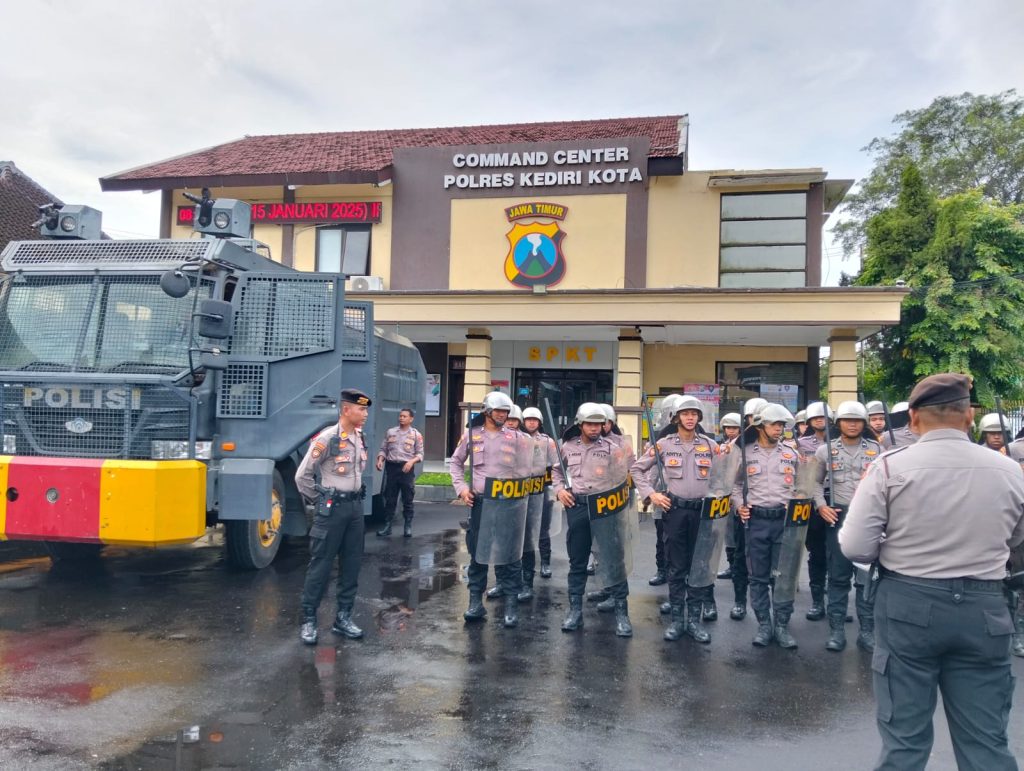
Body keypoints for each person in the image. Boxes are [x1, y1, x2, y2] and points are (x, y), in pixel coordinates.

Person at [841, 373, 1024, 771]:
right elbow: (1019, 544)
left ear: (913, 418)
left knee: (905, 742)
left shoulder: (890, 468)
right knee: (986, 743)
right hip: (985, 609)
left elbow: (855, 546)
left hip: (909, 606)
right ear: (968, 417)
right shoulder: (1011, 472)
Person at [632, 395, 721, 642]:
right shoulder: (664, 445)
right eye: (686, 414)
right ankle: (678, 621)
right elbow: (637, 469)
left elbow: (727, 473)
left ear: (699, 418)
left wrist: (722, 498)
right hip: (676, 511)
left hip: (703, 513)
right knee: (677, 566)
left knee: (698, 566)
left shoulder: (711, 446)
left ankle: (694, 621)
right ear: (677, 417)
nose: (690, 418)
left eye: (694, 414)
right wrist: (652, 494)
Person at [449, 391, 532, 628]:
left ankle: (511, 604)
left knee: (510, 555)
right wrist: (462, 489)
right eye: (498, 411)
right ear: (487, 412)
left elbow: (531, 465)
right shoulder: (472, 436)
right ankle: (475, 602)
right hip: (481, 503)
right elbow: (455, 463)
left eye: (506, 412)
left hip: (509, 503)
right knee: (478, 555)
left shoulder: (517, 438)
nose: (503, 415)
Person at [552, 402, 635, 636]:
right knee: (577, 562)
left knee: (613, 561)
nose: (595, 428)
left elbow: (628, 474)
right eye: (590, 424)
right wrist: (559, 490)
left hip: (605, 508)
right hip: (578, 507)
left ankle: (622, 614)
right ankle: (575, 612)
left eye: (598, 424)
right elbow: (556, 472)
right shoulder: (567, 447)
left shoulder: (613, 448)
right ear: (580, 424)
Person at [297, 388, 373, 645]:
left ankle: (343, 618)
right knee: (321, 566)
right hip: (332, 509)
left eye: (366, 410)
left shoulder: (361, 438)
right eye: (361, 409)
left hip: (354, 509)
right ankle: (308, 621)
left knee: (351, 566)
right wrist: (320, 502)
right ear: (345, 410)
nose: (365, 414)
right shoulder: (328, 438)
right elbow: (302, 476)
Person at [812, 401, 881, 652]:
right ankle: (837, 631)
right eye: (847, 420)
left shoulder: (876, 450)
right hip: (837, 518)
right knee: (838, 577)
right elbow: (815, 483)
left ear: (864, 423)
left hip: (868, 520)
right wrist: (821, 506)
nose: (852, 424)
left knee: (865, 580)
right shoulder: (825, 451)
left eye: (857, 420)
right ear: (838, 423)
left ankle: (866, 632)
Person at [734, 403, 802, 649]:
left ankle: (782, 625)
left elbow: (802, 486)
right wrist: (738, 504)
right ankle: (764, 625)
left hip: (785, 522)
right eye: (775, 424)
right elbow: (734, 485)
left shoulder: (791, 455)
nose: (779, 429)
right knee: (758, 577)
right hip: (756, 521)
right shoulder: (745, 454)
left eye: (782, 425)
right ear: (761, 427)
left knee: (783, 577)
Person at [725, 397, 768, 620]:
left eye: (760, 418)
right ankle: (740, 601)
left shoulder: (786, 448)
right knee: (741, 558)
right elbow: (732, 481)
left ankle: (769, 608)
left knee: (770, 562)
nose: (756, 422)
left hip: (771, 515)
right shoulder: (738, 447)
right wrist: (739, 506)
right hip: (744, 512)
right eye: (752, 418)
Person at [798, 401, 833, 622]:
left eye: (824, 417)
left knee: (837, 555)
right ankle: (817, 601)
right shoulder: (800, 443)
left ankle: (835, 601)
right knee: (816, 552)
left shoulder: (839, 441)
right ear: (810, 421)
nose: (820, 420)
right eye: (816, 418)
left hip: (836, 499)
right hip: (812, 502)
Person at [374, 407, 424, 538]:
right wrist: (380, 459)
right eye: (400, 416)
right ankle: (388, 525)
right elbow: (383, 449)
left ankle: (407, 526)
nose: (401, 418)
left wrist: (411, 462)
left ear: (411, 419)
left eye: (405, 416)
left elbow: (420, 454)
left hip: (406, 468)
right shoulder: (391, 432)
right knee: (390, 498)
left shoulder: (415, 435)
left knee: (408, 498)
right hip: (391, 468)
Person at [522, 406, 558, 579]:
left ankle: (545, 562)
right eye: (528, 419)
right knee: (523, 529)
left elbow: (557, 465)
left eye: (534, 420)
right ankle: (524, 564)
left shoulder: (547, 441)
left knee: (543, 528)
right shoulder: (516, 439)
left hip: (541, 488)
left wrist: (553, 488)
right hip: (520, 489)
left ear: (539, 422)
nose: (531, 422)